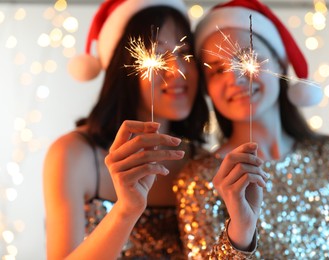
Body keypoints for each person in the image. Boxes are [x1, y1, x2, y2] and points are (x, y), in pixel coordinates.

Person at [174, 0, 329, 258]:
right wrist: (240, 231)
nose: (235, 77)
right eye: (218, 70)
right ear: (207, 89)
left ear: (279, 64)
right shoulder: (200, 179)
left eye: (246, 58)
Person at [42, 0, 210, 259]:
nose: (178, 70)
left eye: (184, 52)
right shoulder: (74, 155)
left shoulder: (201, 162)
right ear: (125, 67)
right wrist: (126, 210)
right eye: (157, 55)